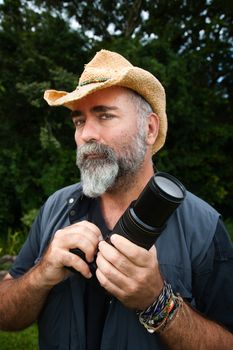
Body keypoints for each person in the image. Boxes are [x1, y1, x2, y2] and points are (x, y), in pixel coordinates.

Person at [0, 49, 233, 350]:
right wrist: (41, 274)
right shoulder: (55, 209)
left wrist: (157, 302)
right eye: (79, 121)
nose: (86, 134)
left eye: (104, 115)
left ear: (149, 129)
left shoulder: (202, 226)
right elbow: (6, 316)